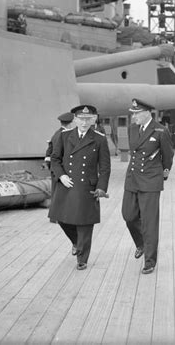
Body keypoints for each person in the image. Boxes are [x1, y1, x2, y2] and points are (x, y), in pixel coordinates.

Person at [48, 105, 111, 270]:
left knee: (84, 222)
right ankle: (76, 241)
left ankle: (82, 258)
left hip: (86, 186)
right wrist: (61, 175)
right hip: (67, 183)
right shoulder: (64, 136)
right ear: (74, 119)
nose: (84, 123)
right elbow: (55, 159)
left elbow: (104, 167)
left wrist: (101, 187)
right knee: (60, 218)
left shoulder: (99, 139)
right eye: (81, 119)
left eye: (88, 119)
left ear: (93, 120)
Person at [122, 99, 173, 275]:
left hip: (151, 181)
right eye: (132, 113)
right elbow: (133, 153)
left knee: (149, 223)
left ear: (147, 113)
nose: (133, 116)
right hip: (132, 178)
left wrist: (163, 174)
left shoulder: (160, 130)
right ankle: (141, 243)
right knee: (128, 215)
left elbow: (168, 155)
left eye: (136, 113)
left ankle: (150, 261)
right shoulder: (132, 129)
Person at [44, 112, 75, 198]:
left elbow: (49, 152)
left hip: (55, 169)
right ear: (70, 124)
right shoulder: (65, 135)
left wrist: (51, 167)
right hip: (62, 170)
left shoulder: (56, 133)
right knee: (63, 197)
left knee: (56, 195)